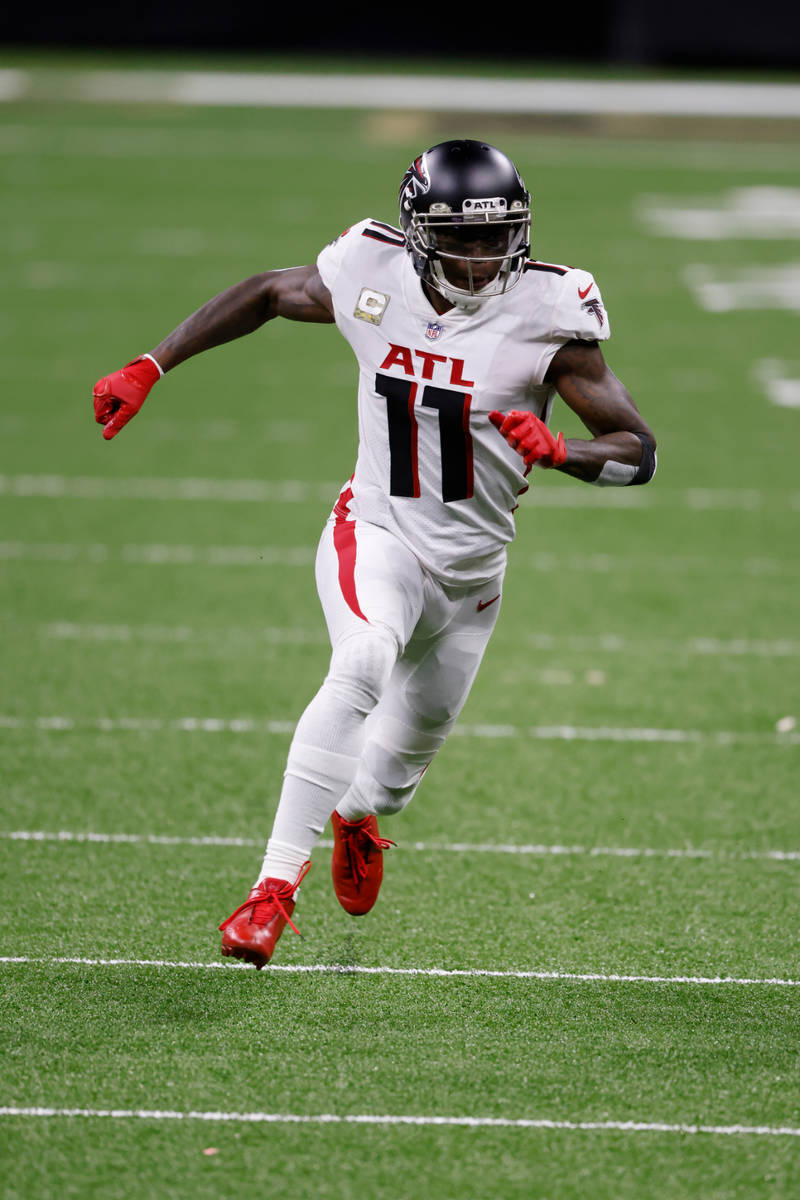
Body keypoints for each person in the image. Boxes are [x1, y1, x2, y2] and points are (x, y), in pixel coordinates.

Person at [92, 139, 656, 968]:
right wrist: (154, 363)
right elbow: (269, 293)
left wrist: (562, 451)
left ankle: (357, 814)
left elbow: (639, 452)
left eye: (499, 235)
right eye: (463, 239)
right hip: (378, 533)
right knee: (360, 663)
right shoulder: (371, 271)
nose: (484, 255)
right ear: (419, 232)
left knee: (391, 781)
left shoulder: (551, 311)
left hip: (473, 578)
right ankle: (271, 892)